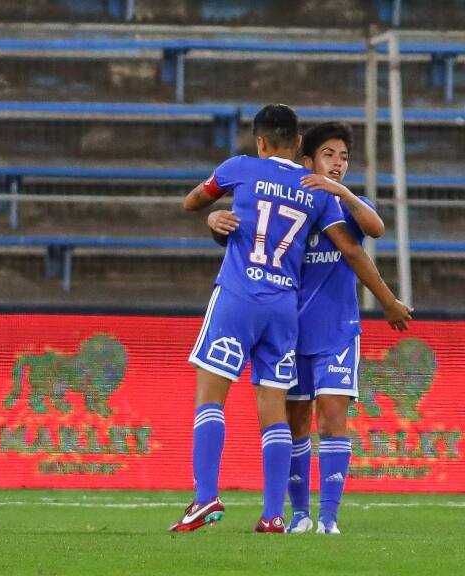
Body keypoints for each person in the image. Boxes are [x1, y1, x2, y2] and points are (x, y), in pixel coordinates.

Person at [169, 104, 411, 534]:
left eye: (343, 157)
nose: (337, 164)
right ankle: (275, 514)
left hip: (240, 295)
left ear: (260, 142)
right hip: (284, 310)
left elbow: (193, 201)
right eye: (330, 154)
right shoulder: (315, 193)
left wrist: (210, 214)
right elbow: (355, 245)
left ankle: (205, 498)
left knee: (209, 395)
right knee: (275, 411)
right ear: (301, 146)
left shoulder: (239, 167)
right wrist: (390, 301)